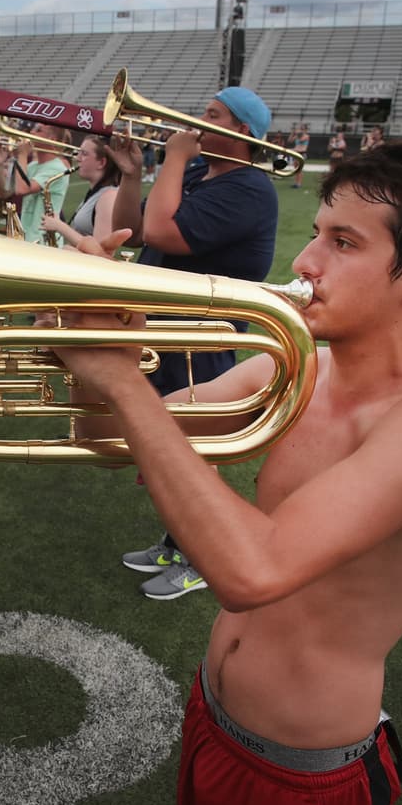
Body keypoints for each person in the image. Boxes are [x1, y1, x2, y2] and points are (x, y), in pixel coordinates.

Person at [55, 139, 402, 805]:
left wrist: (123, 380)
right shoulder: (297, 368)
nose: (304, 261)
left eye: (344, 243)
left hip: (300, 778)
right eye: (318, 233)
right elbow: (106, 438)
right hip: (210, 711)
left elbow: (252, 571)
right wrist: (93, 344)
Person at [107, 85, 278, 600]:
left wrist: (175, 157)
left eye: (211, 115)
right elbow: (130, 231)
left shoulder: (250, 188)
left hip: (200, 336)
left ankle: (206, 557)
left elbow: (162, 233)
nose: (196, 121)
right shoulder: (202, 172)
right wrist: (136, 174)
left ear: (241, 131)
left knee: (196, 448)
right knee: (171, 441)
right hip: (166, 328)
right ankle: (176, 541)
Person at [40, 135, 121, 246]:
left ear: (101, 162)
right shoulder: (96, 193)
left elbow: (100, 249)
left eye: (84, 154)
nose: (77, 158)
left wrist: (59, 226)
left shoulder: (109, 197)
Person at [0, 123, 72, 246]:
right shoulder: (33, 166)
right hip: (28, 237)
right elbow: (5, 192)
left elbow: (22, 190)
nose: (31, 133)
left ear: (51, 139)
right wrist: (0, 163)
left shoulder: (57, 167)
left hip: (45, 240)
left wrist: (22, 155)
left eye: (38, 130)